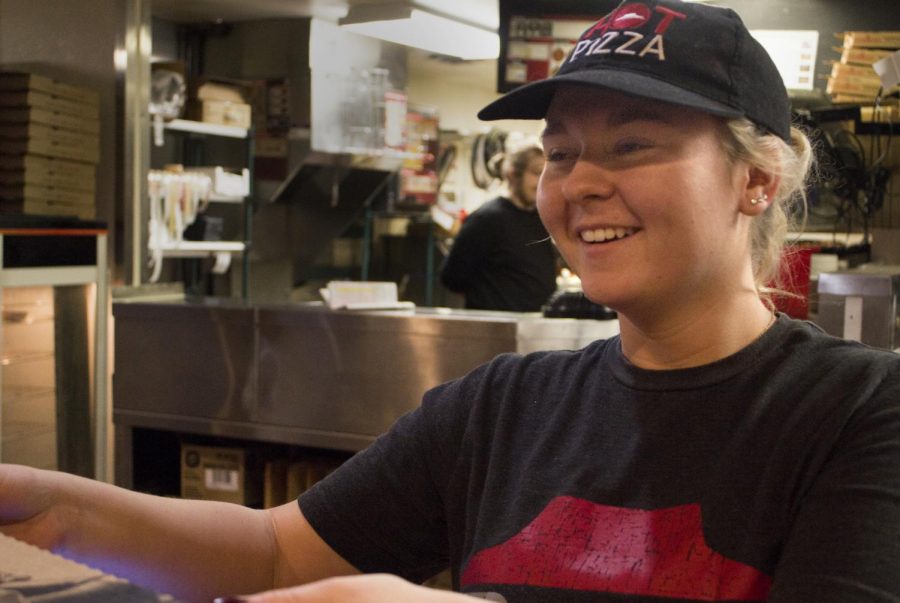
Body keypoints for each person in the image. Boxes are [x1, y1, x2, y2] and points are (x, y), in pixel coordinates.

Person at [3, 1, 900, 601]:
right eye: (559, 152)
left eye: (631, 145)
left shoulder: (859, 412)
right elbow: (272, 550)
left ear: (756, 177)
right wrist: (55, 508)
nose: (580, 182)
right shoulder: (502, 407)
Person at [439, 145, 558, 312]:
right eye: (536, 173)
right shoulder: (487, 219)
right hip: (495, 328)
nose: (542, 182)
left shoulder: (540, 218)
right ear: (513, 175)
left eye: (546, 174)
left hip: (535, 327)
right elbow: (452, 277)